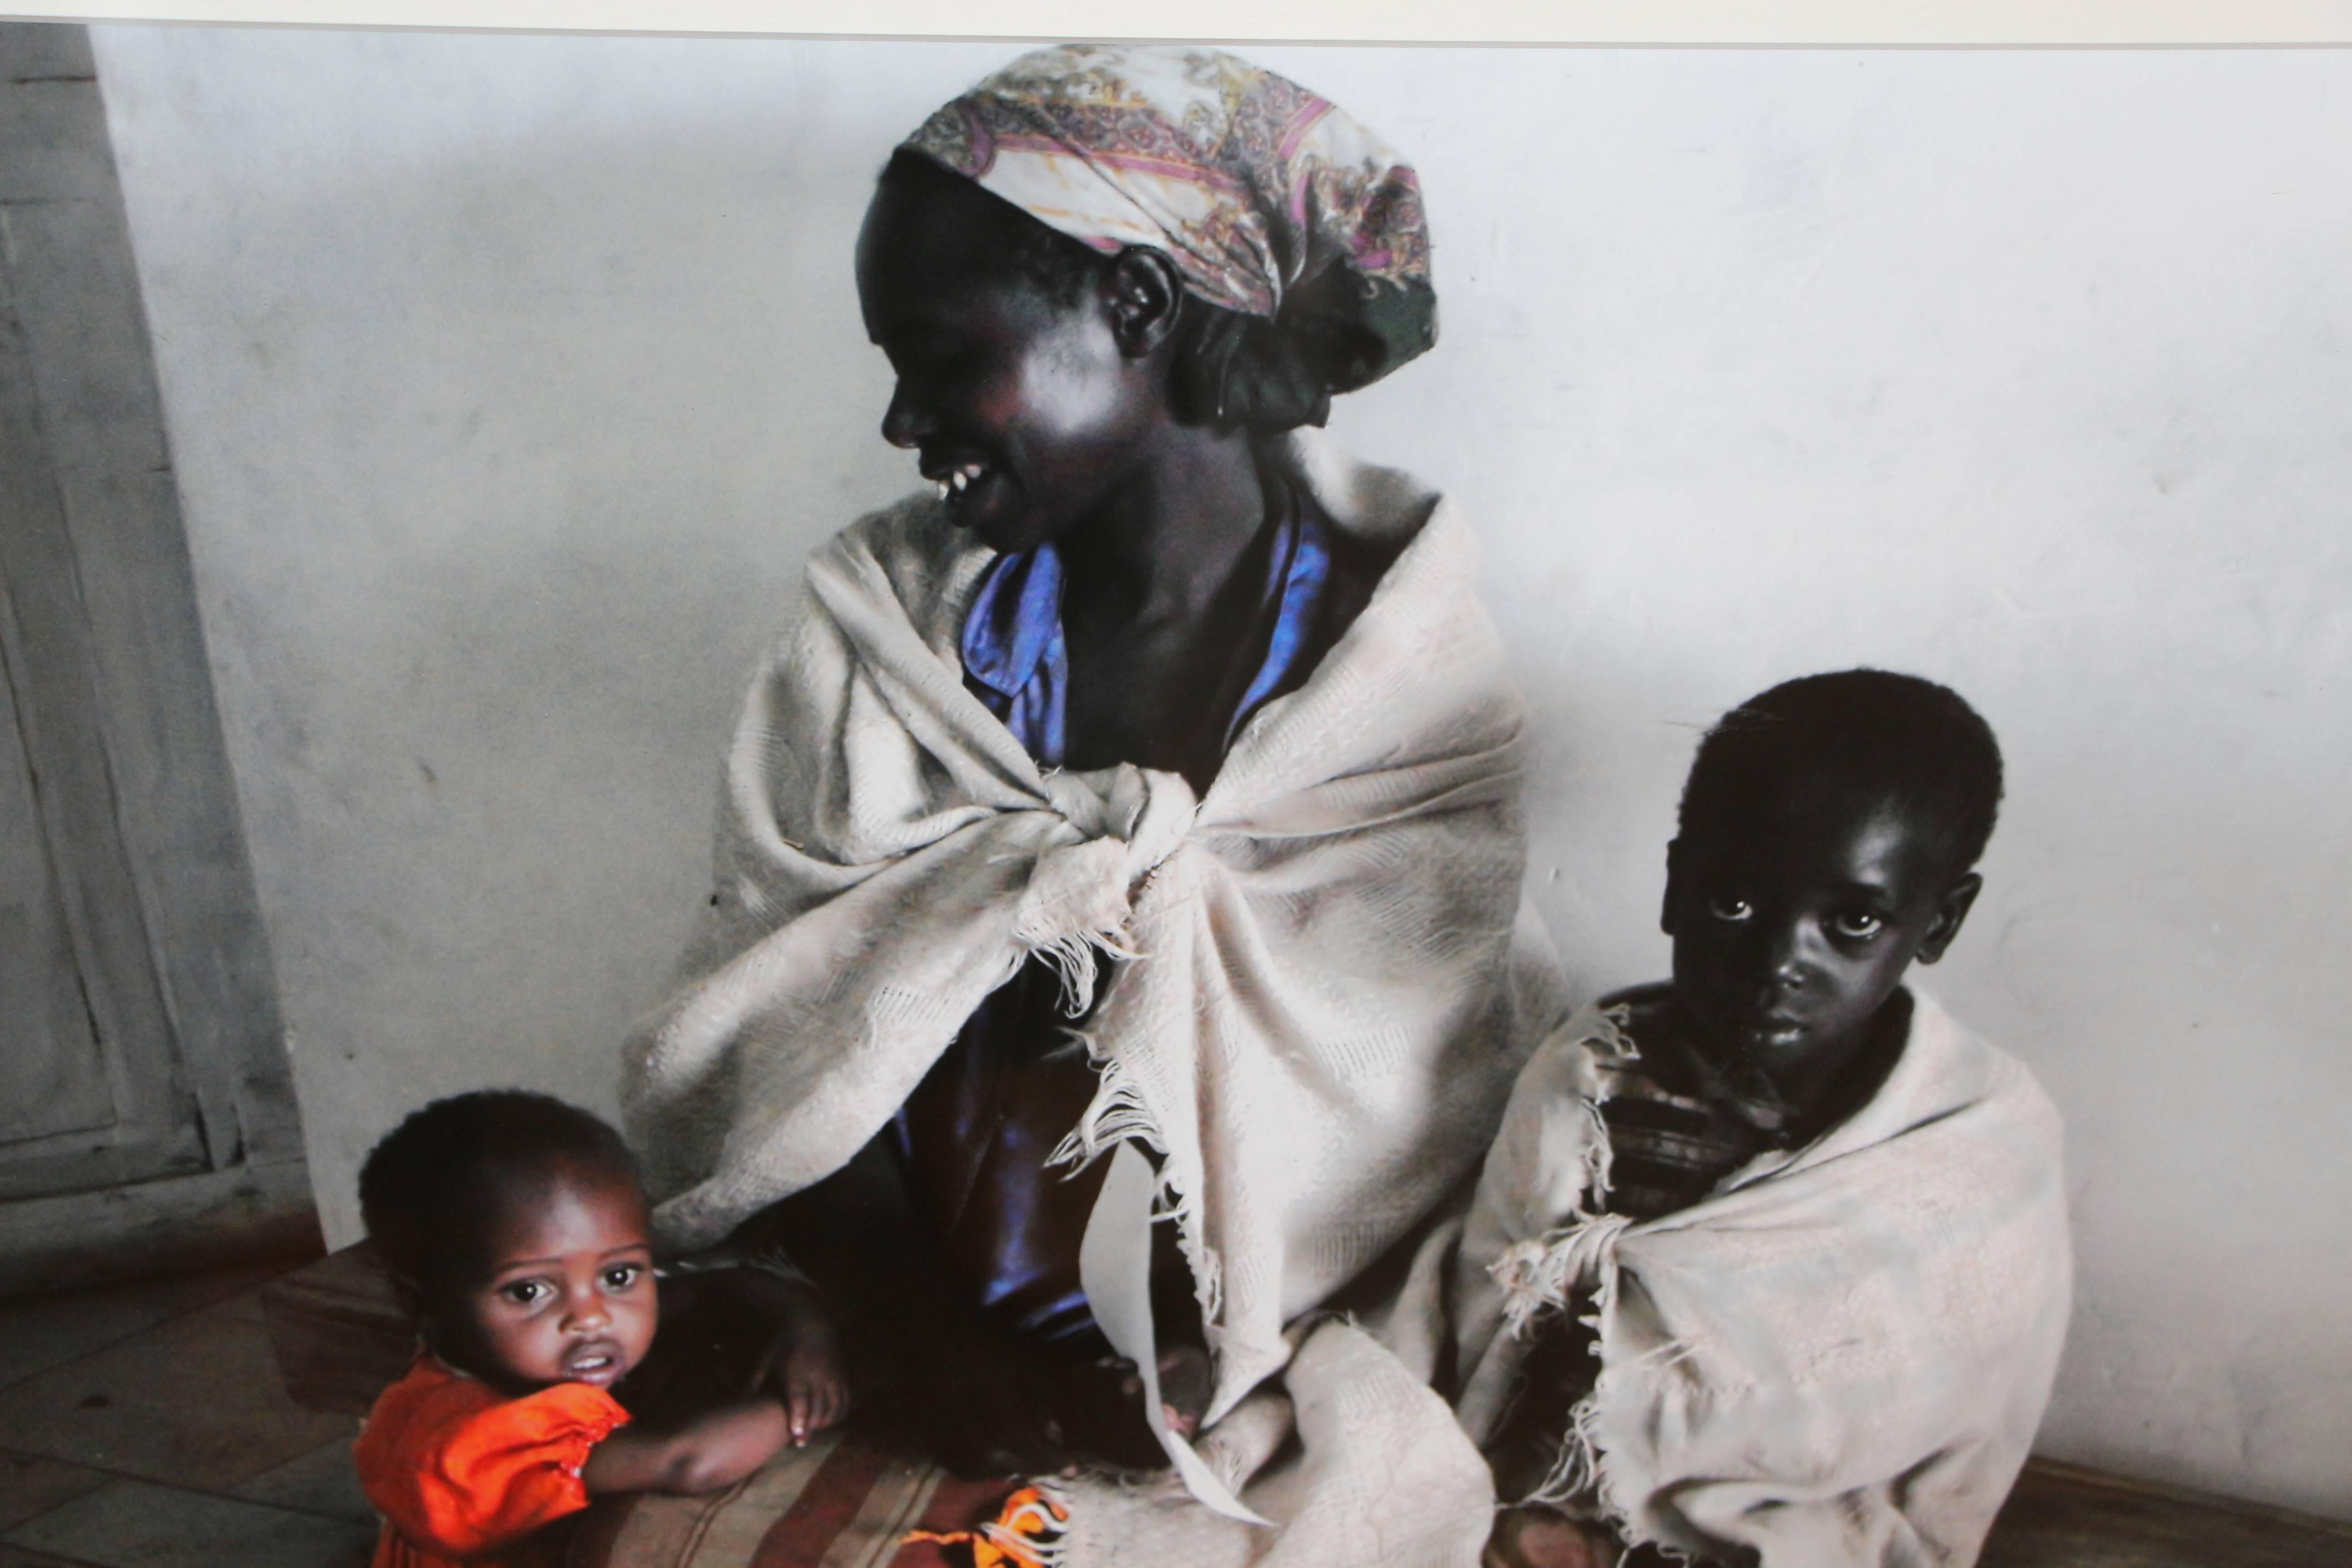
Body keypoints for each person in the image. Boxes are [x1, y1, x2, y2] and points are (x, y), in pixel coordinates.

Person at [622, 39, 1563, 1515]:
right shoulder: (889, 631)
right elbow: (781, 1024)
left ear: (1133, 305)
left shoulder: (1391, 665)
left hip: (1269, 1340)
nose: (897, 425)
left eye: (942, 361)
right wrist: (917, 1332)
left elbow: (1415, 1094)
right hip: (911, 1305)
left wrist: (1206, 1349)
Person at [1452, 671, 2073, 1568]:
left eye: (1854, 920)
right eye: (1733, 903)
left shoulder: (1968, 1142)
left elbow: (1940, 1426)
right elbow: (1494, 1334)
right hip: (1556, 1489)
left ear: (1939, 922)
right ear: (1675, 885)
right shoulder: (1590, 1081)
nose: (1780, 959)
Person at [351, 1091, 846, 1568]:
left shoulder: (543, 1334)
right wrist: (807, 1402)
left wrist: (807, 1333)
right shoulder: (476, 1445)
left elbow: (713, 1288)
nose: (592, 1316)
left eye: (618, 1275)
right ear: (427, 1304)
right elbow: (689, 1460)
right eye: (529, 1292)